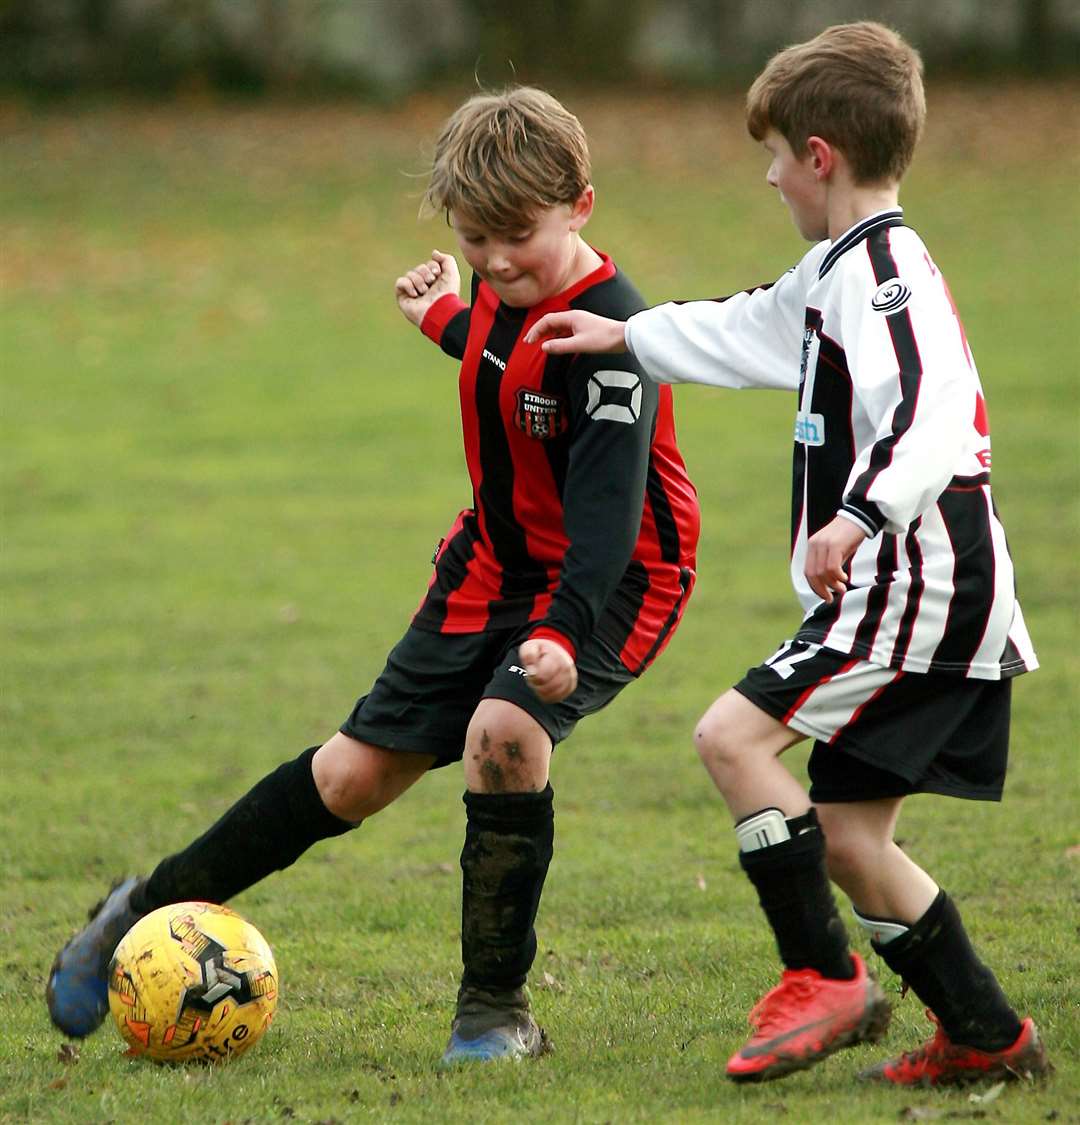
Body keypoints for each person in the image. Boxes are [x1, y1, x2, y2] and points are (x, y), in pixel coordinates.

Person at [46, 86, 700, 1065]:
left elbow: (606, 519)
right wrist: (444, 315)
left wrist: (563, 629)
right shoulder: (497, 287)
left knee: (505, 731)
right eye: (475, 238)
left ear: (582, 207)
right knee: (351, 777)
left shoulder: (612, 337)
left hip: (611, 581)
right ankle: (141, 909)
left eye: (517, 235)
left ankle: (493, 1010)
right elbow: (496, 358)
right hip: (490, 564)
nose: (497, 260)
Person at [525, 22, 1051, 1087]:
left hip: (919, 574)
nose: (768, 177)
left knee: (732, 739)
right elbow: (756, 327)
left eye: (774, 158)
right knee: (851, 836)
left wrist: (859, 517)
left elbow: (939, 411)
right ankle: (989, 1037)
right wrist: (624, 334)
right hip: (920, 580)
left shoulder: (887, 272)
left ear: (821, 156)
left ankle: (823, 974)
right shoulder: (839, 270)